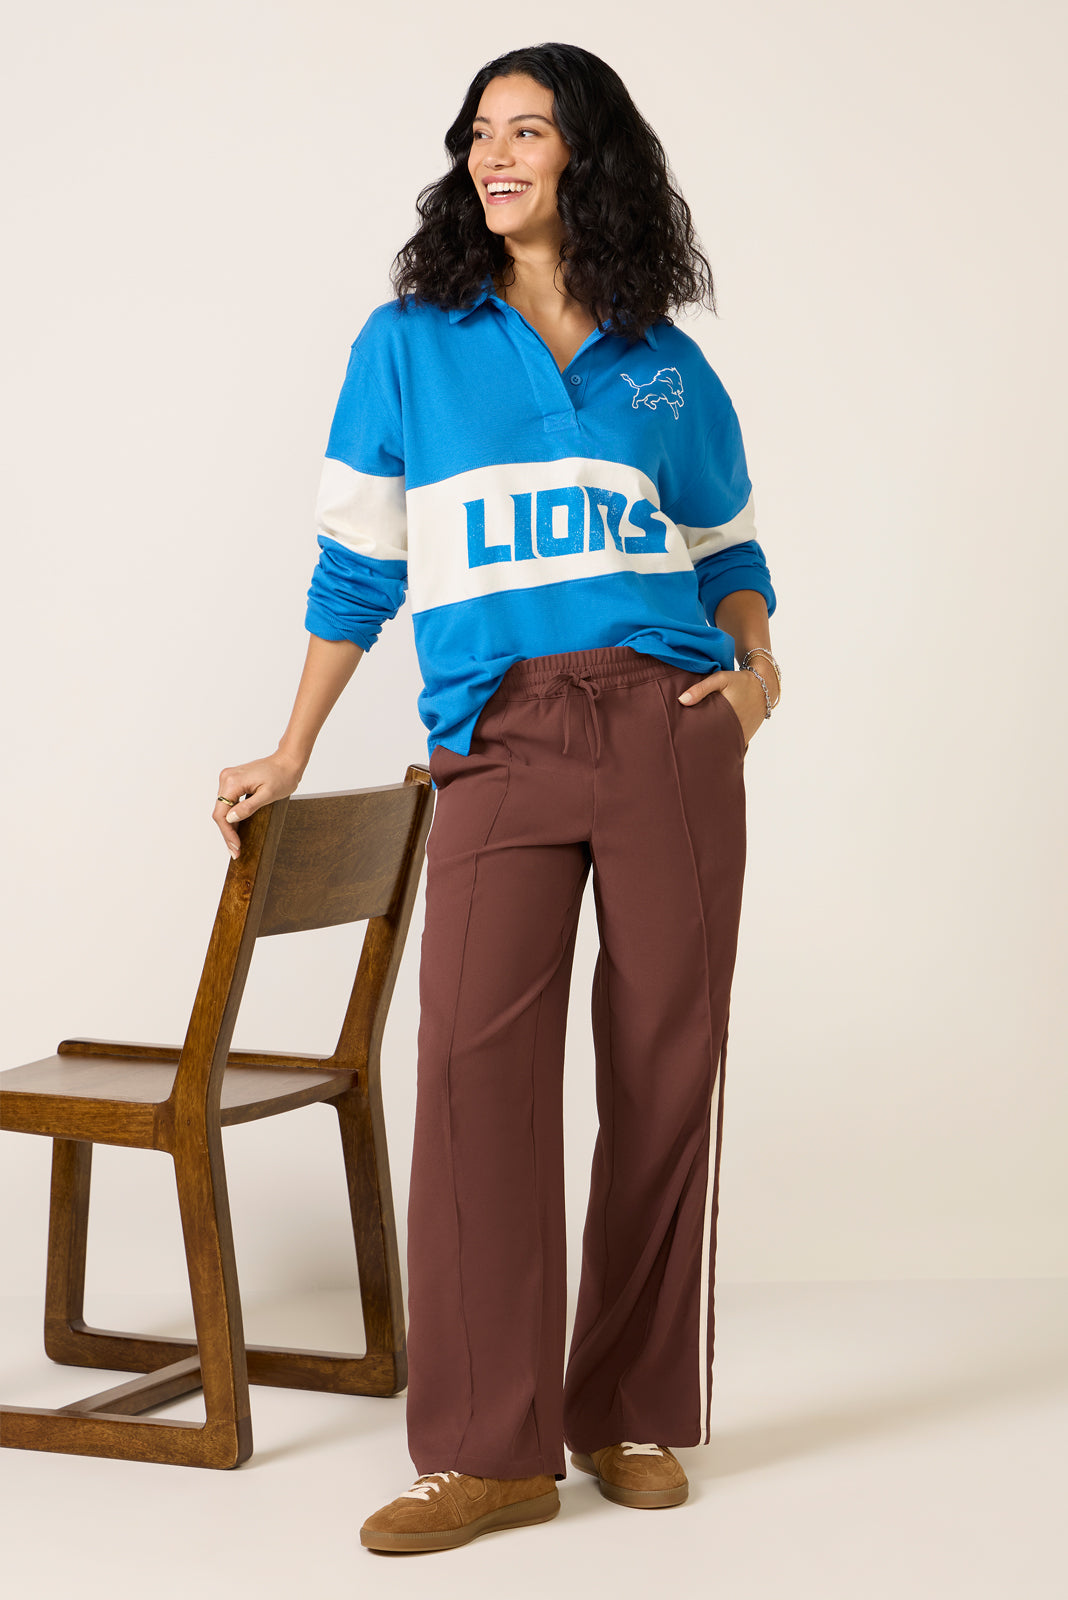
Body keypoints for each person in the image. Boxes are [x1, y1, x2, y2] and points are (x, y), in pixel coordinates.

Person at [213, 42, 780, 1554]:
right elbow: (360, 569)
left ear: (591, 155)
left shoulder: (665, 362)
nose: (496, 153)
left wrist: (756, 677)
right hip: (499, 733)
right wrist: (292, 748)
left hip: (665, 731)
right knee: (471, 1067)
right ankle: (486, 1452)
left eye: (529, 129)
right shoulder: (410, 341)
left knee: (666, 1069)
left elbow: (728, 548)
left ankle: (625, 1410)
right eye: (480, 132)